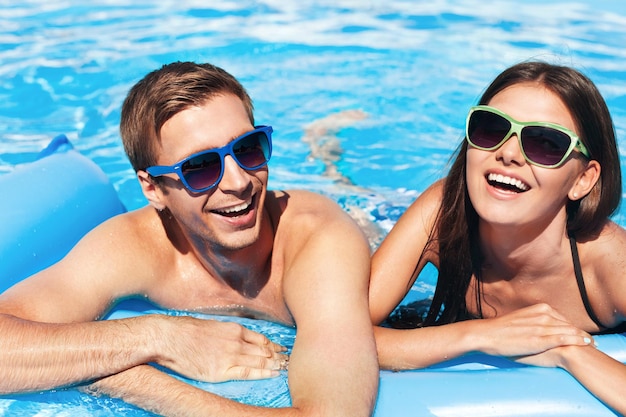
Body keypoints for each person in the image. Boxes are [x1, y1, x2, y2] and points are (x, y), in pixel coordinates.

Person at [0, 61, 378, 416]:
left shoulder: (317, 241)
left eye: (248, 148)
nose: (239, 182)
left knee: (354, 198)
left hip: (366, 224)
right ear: (152, 189)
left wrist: (131, 381)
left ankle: (325, 148)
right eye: (200, 167)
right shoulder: (136, 246)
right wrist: (158, 337)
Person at [369, 61, 626, 414]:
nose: (508, 153)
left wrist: (569, 351)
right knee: (365, 218)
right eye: (491, 129)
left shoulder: (611, 263)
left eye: (545, 143)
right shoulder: (443, 212)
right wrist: (482, 337)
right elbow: (336, 334)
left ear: (582, 179)